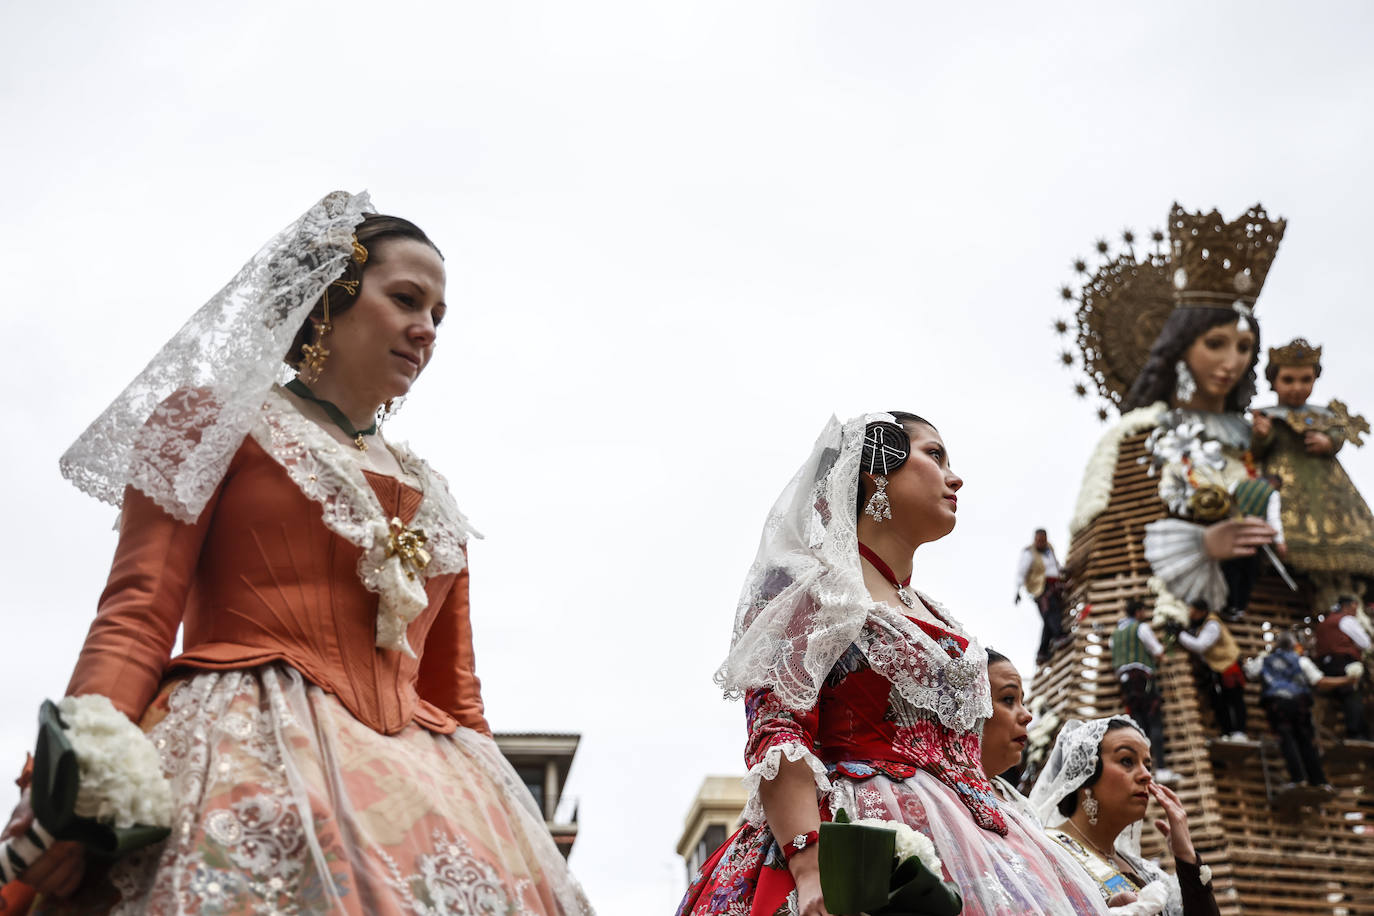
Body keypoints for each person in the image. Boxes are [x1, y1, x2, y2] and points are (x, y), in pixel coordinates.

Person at [2, 193, 591, 915]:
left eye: (438, 316)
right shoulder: (211, 423)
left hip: (431, 792)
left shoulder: (433, 494)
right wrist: (69, 784)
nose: (426, 330)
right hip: (241, 759)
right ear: (326, 299)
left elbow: (455, 697)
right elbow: (136, 613)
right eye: (406, 299)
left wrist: (514, 835)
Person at [677, 413, 1109, 916]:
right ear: (875, 472)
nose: (956, 477)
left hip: (982, 851)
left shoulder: (937, 613)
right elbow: (778, 732)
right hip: (859, 843)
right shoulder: (813, 592)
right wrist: (812, 865)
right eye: (935, 455)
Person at [1029, 717, 1219, 916]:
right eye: (1127, 761)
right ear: (1086, 774)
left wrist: (1186, 856)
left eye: (1147, 765)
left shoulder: (1148, 873)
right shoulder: (1045, 852)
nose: (1146, 775)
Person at [1251, 338, 1374, 590]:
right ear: (1274, 381)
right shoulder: (1268, 416)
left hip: (1329, 489)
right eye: (1289, 380)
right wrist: (1261, 436)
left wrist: (1329, 443)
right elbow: (1256, 453)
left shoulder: (1325, 415)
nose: (1297, 387)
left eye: (1305, 380)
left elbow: (1338, 435)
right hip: (1285, 486)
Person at [1243, 631, 1354, 788]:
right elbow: (1319, 681)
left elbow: (1250, 672)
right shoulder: (1302, 661)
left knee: (1286, 740)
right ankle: (1319, 781)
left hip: (1277, 705)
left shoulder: (1265, 660)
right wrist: (1347, 680)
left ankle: (1298, 779)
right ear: (1294, 646)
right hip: (1299, 704)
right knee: (1306, 742)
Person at [1110, 600, 1178, 784]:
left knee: (1138, 727)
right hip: (1142, 678)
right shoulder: (1141, 628)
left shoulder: (1115, 634)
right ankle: (1162, 769)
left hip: (1125, 683)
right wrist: (1166, 647)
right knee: (1154, 721)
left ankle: (1143, 770)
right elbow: (1157, 651)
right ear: (1138, 612)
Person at [980, 650, 1040, 825]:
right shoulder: (934, 795)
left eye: (1022, 702)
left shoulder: (1022, 805)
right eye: (1008, 699)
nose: (1027, 716)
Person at [1177, 601, 1248, 741]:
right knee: (1219, 702)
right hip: (1217, 668)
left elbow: (1200, 646)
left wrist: (1180, 635)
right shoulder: (1200, 626)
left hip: (1229, 666)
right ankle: (1227, 732)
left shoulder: (1212, 625)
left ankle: (1239, 732)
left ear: (1202, 612)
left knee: (1234, 699)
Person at [1313, 597, 1372, 740]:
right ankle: (1355, 733)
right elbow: (1365, 643)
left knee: (1340, 695)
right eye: (1354, 607)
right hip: (1343, 663)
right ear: (1348, 606)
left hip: (1325, 666)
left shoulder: (1324, 623)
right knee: (1352, 693)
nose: (1355, 611)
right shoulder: (1346, 620)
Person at [1017, 530, 1073, 664]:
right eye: (1039, 540)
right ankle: (1059, 636)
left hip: (1054, 586)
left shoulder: (1049, 549)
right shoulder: (1029, 553)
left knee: (1048, 618)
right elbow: (1021, 571)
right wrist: (1017, 590)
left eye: (1043, 540)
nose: (1041, 543)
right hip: (1041, 588)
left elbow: (1055, 565)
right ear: (1035, 540)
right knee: (1050, 612)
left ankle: (1042, 652)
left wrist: (1062, 572)